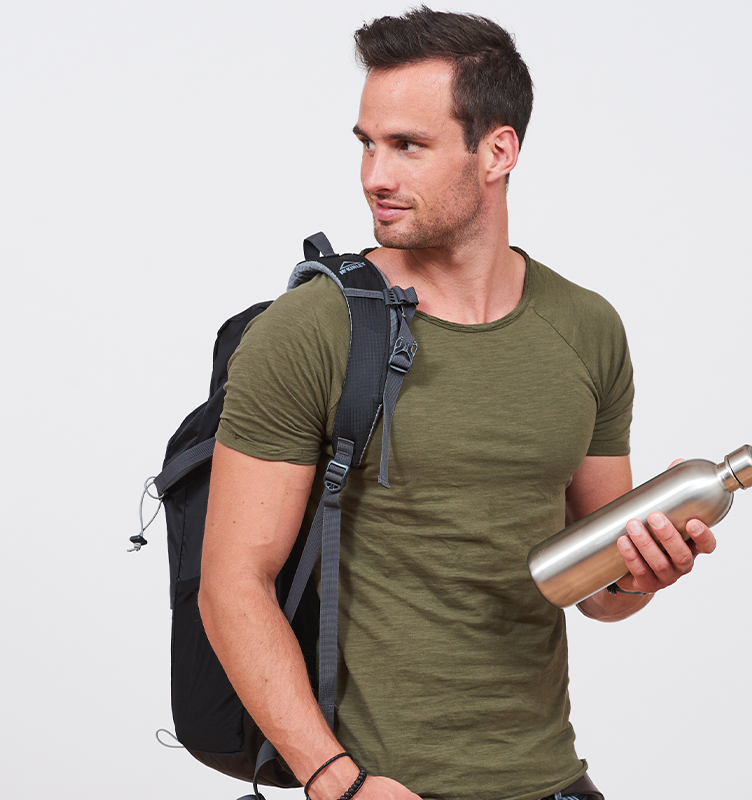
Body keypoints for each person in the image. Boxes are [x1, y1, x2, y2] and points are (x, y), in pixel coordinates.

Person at [197, 8, 717, 800]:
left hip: (551, 779)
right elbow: (233, 583)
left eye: (408, 145)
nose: (375, 175)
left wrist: (644, 573)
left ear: (498, 151)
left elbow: (599, 594)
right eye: (367, 144)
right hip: (380, 786)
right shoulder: (310, 331)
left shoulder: (586, 329)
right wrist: (337, 781)